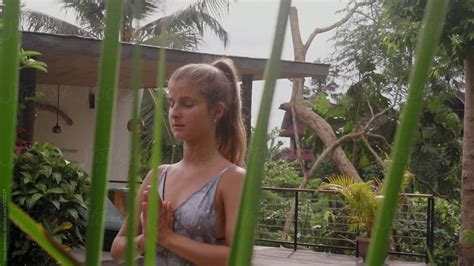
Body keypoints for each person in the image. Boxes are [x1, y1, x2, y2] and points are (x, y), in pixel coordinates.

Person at [111, 58, 247, 265]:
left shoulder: (232, 179)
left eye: (187, 104)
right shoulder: (157, 176)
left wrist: (167, 238)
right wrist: (145, 239)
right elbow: (117, 249)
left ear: (217, 111)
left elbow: (238, 257)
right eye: (171, 103)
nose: (174, 113)